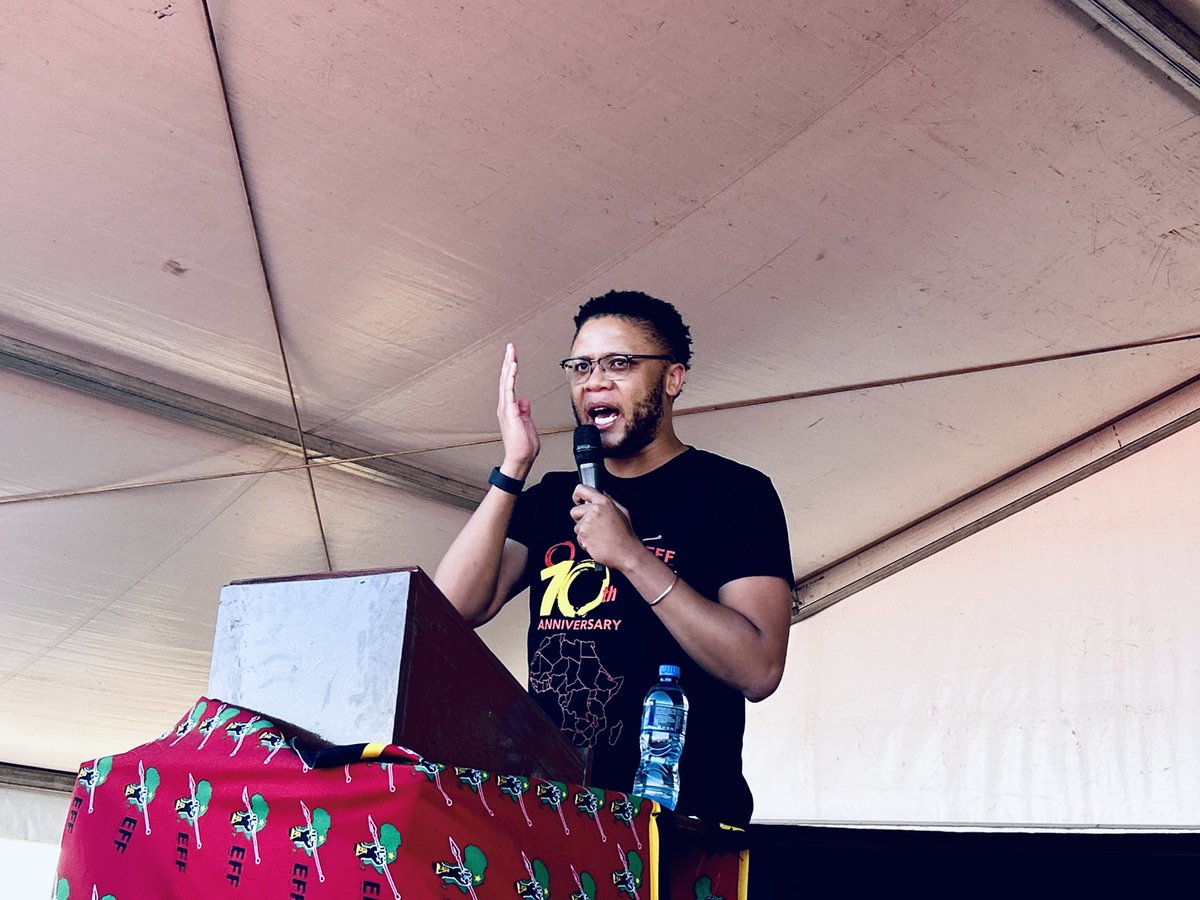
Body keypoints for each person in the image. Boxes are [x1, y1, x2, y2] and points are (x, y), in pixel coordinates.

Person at [434, 290, 793, 826]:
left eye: (619, 363)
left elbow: (759, 669)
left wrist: (631, 556)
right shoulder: (552, 500)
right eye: (580, 366)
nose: (593, 381)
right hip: (556, 813)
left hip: (680, 825)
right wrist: (513, 467)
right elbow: (452, 610)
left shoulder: (735, 494)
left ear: (673, 379)